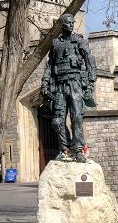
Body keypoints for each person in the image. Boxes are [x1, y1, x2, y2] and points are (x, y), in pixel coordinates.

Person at [41, 13, 97, 163]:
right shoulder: (56, 44)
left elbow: (90, 61)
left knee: (76, 118)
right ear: (61, 25)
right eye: (68, 22)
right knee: (57, 121)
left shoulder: (79, 41)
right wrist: (45, 84)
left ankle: (78, 149)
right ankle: (64, 149)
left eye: (73, 22)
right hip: (59, 86)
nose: (71, 24)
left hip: (75, 85)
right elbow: (49, 66)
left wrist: (91, 84)